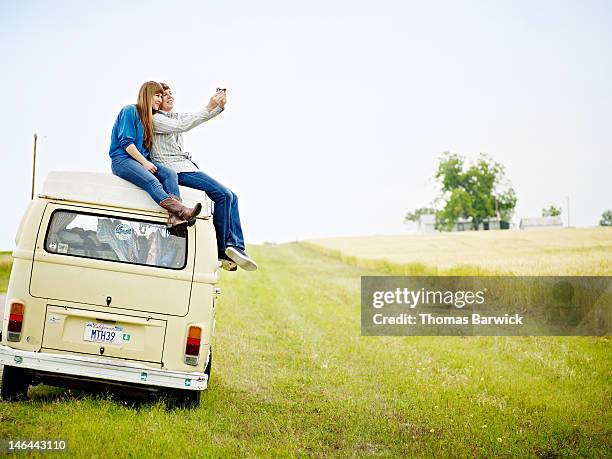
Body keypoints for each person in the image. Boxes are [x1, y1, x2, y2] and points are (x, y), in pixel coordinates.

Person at [151, 83, 257, 272]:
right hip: (175, 169)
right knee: (223, 194)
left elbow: (192, 118)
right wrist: (210, 105)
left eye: (170, 93)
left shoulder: (174, 116)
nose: (168, 96)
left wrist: (218, 107)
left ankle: (236, 247)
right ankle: (223, 249)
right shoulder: (156, 120)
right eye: (162, 95)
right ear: (155, 101)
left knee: (232, 196)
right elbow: (184, 125)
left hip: (186, 166)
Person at [109, 81, 202, 229]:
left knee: (170, 174)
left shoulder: (149, 119)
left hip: (140, 161)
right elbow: (127, 143)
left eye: (161, 96)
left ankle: (174, 218)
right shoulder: (130, 111)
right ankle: (182, 211)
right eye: (157, 95)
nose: (160, 99)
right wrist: (145, 163)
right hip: (122, 160)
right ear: (147, 95)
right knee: (153, 182)